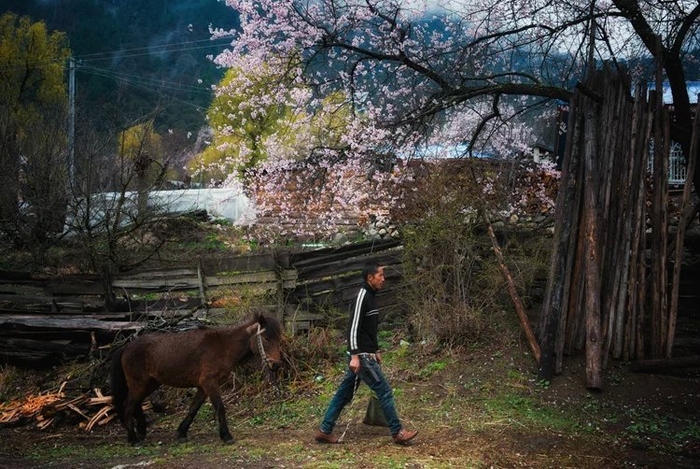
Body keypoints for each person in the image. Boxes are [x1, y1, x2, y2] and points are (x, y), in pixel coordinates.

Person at [314, 262, 418, 445]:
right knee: (384, 391)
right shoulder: (362, 296)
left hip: (367, 353)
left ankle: (324, 430)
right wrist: (354, 356)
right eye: (380, 276)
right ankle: (398, 432)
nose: (383, 279)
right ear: (370, 277)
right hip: (361, 356)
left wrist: (376, 349)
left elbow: (369, 329)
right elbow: (352, 329)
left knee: (343, 394)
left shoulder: (372, 296)